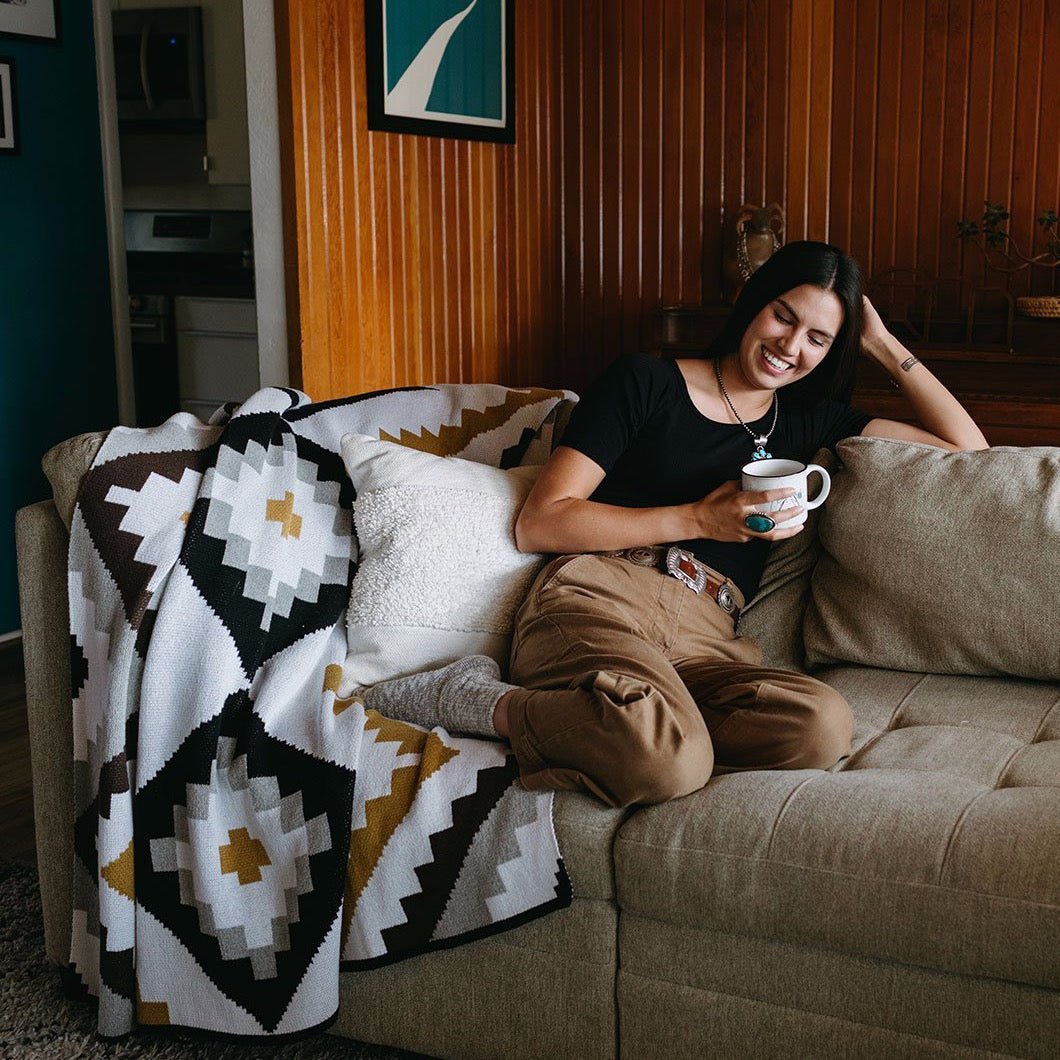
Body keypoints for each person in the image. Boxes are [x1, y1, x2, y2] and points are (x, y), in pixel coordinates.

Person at [362, 241, 989, 808]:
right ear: (752, 304)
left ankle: (646, 725)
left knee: (819, 725)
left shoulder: (808, 419)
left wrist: (878, 342)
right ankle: (473, 699)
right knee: (664, 763)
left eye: (819, 339)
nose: (791, 347)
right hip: (601, 597)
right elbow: (542, 523)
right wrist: (697, 519)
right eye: (784, 316)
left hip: (709, 632)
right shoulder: (645, 381)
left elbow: (968, 451)